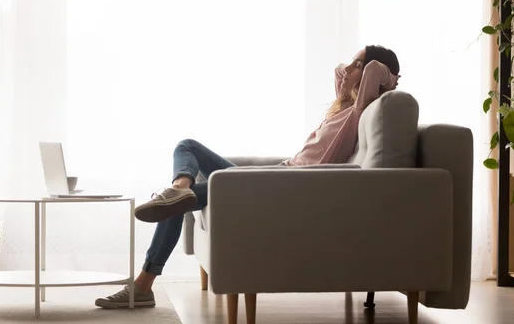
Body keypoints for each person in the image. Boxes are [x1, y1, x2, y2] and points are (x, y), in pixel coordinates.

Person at [94, 45, 400, 309]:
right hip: (272, 178)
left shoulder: (359, 111)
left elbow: (374, 69)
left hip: (278, 187)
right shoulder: (344, 107)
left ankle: (143, 285)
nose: (347, 69)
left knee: (177, 192)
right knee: (186, 151)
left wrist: (384, 73)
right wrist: (352, 67)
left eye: (357, 65)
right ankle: (179, 188)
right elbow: (341, 72)